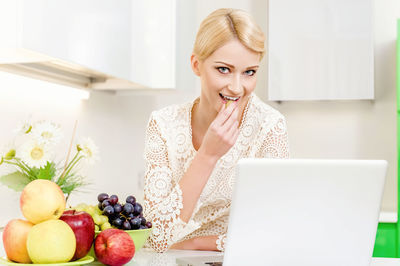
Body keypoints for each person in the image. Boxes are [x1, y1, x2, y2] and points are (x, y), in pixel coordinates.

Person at [142, 8, 289, 253]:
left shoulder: (269, 126)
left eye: (249, 72)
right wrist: (208, 155)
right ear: (196, 65)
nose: (236, 87)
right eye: (223, 69)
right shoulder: (163, 124)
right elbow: (155, 237)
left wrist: (198, 243)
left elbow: (273, 231)